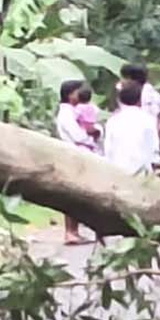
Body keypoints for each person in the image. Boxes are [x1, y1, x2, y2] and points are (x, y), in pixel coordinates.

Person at [56, 79, 96, 244]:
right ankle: (70, 232)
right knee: (73, 196)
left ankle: (74, 231)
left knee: (76, 195)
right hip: (73, 156)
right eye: (77, 91)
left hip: (76, 156)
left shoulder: (75, 111)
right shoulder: (66, 114)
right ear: (70, 94)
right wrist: (93, 136)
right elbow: (78, 136)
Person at [104, 80, 160, 175]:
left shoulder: (113, 120)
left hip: (117, 170)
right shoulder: (148, 119)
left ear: (119, 99)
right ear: (139, 100)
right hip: (141, 171)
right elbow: (153, 148)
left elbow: (108, 149)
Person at [120, 62, 160, 146]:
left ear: (133, 80)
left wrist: (156, 130)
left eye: (125, 78)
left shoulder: (148, 95)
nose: (122, 81)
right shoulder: (128, 92)